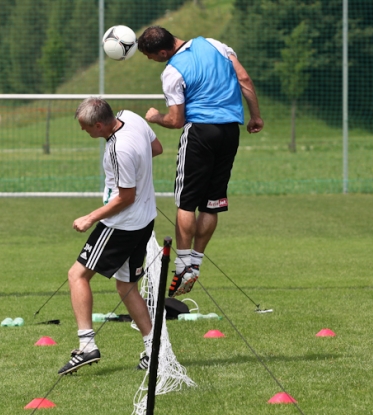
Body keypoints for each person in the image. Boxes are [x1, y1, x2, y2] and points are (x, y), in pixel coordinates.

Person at [138, 26, 264, 298]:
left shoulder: (172, 71)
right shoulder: (215, 44)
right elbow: (244, 78)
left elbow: (176, 120)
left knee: (186, 201)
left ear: (163, 51)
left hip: (200, 133)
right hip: (230, 131)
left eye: (151, 57)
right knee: (213, 201)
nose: (152, 61)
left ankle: (183, 266)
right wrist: (255, 115)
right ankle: (195, 262)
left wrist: (155, 117)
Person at [58, 97, 164, 375]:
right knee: (126, 286)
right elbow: (157, 148)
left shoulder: (118, 150)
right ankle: (154, 350)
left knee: (77, 275)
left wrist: (90, 217)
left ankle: (87, 345)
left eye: (86, 128)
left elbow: (126, 197)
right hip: (145, 221)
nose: (84, 132)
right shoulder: (132, 117)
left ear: (100, 124)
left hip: (120, 225)